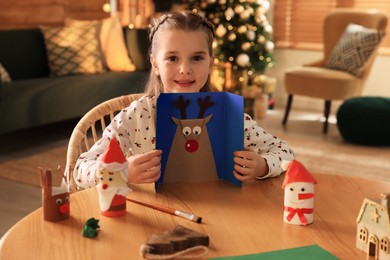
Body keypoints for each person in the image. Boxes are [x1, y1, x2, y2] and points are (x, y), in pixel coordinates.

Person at [74, 11, 294, 190]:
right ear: (156, 64)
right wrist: (120, 171)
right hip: (154, 214)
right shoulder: (136, 115)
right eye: (172, 58)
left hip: (220, 209)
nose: (185, 69)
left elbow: (285, 152)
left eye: (197, 58)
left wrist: (263, 166)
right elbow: (80, 170)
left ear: (210, 64)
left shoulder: (228, 114)